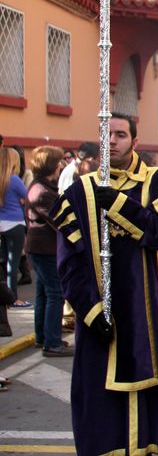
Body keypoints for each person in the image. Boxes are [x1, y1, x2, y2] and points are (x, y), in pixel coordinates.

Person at [51, 113, 158, 455]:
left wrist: (118, 205)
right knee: (100, 404)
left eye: (120, 134)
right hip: (101, 320)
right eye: (107, 134)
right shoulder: (79, 192)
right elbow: (69, 263)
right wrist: (90, 310)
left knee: (154, 396)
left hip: (149, 314)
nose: (112, 141)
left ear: (135, 141)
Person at [26, 146, 71, 356]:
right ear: (52, 165)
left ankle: (43, 337)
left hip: (41, 247)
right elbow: (59, 220)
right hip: (45, 248)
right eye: (59, 161)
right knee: (55, 293)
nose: (61, 165)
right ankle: (52, 342)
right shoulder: (43, 191)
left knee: (44, 293)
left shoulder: (41, 186)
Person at [0, 147, 30, 308]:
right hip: (15, 223)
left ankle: (4, 297)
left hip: (2, 223)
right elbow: (29, 197)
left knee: (4, 262)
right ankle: (13, 299)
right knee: (13, 263)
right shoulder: (15, 180)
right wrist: (22, 201)